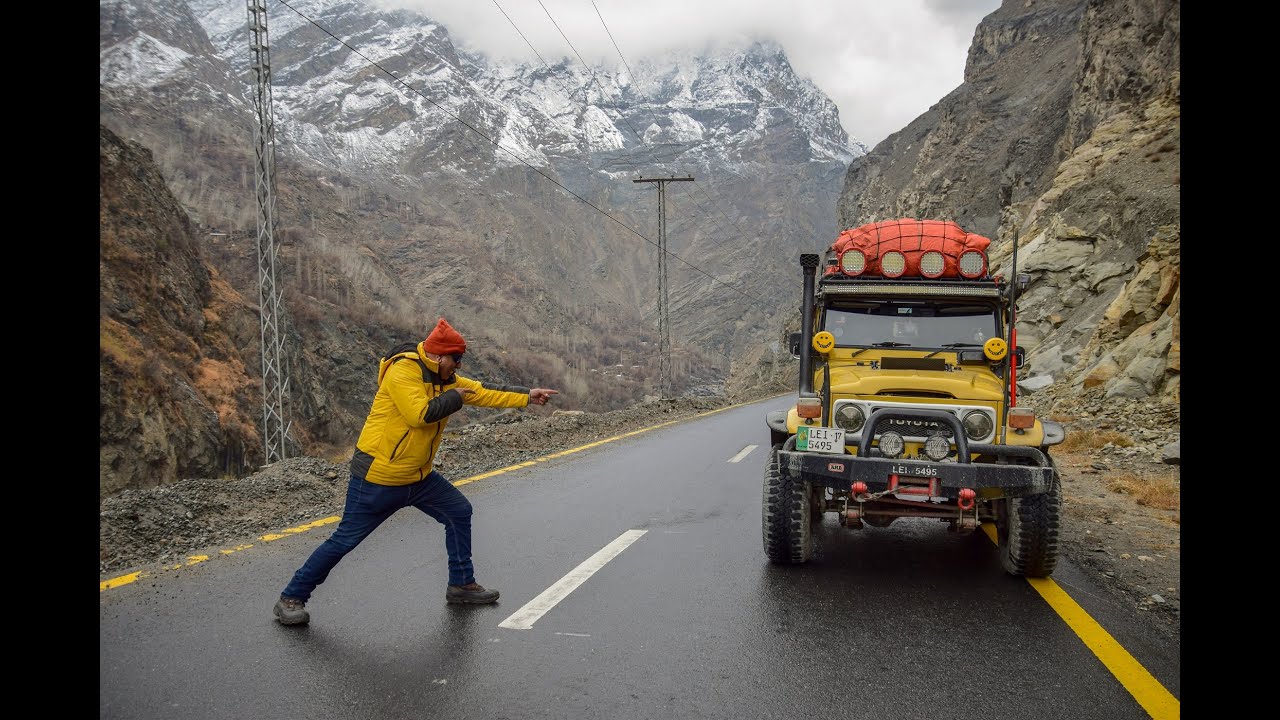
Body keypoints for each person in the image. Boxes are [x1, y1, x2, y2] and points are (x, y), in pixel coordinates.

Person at [273, 317, 559, 626]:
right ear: (438, 356)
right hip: (378, 479)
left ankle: (461, 584)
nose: (459, 366)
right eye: (456, 359)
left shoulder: (444, 377)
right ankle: (292, 596)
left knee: (459, 511)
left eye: (461, 359)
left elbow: (483, 391)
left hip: (418, 477)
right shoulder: (403, 371)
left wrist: (527, 395)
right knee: (344, 540)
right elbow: (419, 415)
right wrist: (453, 399)